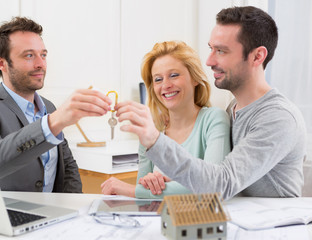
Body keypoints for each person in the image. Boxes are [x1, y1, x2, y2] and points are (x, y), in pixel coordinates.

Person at [114, 6, 307, 200]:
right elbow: (212, 176)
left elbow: (220, 184)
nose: (208, 61)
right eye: (211, 49)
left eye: (221, 51)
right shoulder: (233, 109)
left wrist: (156, 142)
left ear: (257, 56)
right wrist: (173, 178)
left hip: (275, 227)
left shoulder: (278, 117)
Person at [0, 17, 112, 193]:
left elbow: (68, 169)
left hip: (54, 215)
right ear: (2, 63)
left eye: (43, 55)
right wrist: (52, 123)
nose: (41, 64)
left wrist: (77, 210)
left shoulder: (49, 107)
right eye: (29, 55)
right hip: (8, 215)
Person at [101, 41, 231, 198]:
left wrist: (132, 190)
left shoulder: (214, 120)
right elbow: (143, 195)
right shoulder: (152, 132)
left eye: (174, 75)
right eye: (158, 79)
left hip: (200, 220)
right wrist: (148, 183)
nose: (166, 85)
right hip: (159, 218)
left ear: (195, 78)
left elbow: (212, 188)